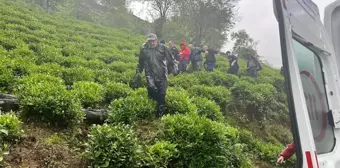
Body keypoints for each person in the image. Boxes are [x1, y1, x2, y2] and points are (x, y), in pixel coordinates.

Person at [136, 33, 178, 118]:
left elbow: (172, 60)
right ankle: (151, 110)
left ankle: (159, 115)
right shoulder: (144, 49)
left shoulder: (163, 48)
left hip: (162, 74)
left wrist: (175, 68)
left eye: (153, 41)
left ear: (157, 40)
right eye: (150, 41)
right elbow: (140, 63)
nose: (152, 43)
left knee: (162, 94)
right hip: (150, 75)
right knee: (151, 90)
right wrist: (138, 72)